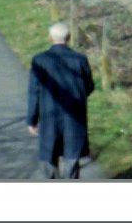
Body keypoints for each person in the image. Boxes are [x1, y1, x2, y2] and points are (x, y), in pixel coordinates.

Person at [26, 22, 95, 179]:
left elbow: (34, 92)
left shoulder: (40, 60)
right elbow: (89, 86)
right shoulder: (80, 59)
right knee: (72, 155)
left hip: (49, 115)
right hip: (74, 115)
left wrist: (32, 120)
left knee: (49, 153)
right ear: (69, 37)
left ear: (50, 38)